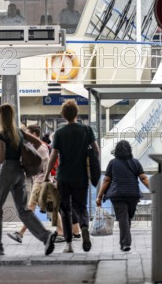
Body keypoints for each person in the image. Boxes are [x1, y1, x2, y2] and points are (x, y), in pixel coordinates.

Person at [0, 104, 57, 256]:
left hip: (7, 170)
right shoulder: (19, 132)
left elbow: (0, 159)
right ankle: (46, 236)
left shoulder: (3, 135)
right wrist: (24, 151)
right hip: (19, 171)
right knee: (23, 209)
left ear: (2, 116)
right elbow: (38, 143)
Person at [45, 99, 100, 253]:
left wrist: (47, 174)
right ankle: (84, 230)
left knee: (65, 210)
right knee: (81, 207)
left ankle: (69, 245)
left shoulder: (60, 133)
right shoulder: (87, 130)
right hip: (81, 176)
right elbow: (96, 150)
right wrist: (93, 166)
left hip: (64, 177)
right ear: (77, 113)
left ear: (63, 115)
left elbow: (53, 156)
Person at [6, 125, 64, 245]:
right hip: (41, 180)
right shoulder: (35, 147)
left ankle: (21, 233)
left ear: (35, 134)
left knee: (30, 207)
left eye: (28, 133)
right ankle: (60, 231)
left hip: (41, 181)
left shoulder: (41, 148)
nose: (26, 136)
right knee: (51, 207)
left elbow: (46, 164)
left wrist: (47, 179)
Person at [96, 140, 149, 252]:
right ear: (129, 150)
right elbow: (143, 178)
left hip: (118, 194)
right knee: (125, 218)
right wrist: (154, 189)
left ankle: (125, 242)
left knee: (124, 218)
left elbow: (106, 180)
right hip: (133, 195)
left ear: (117, 151)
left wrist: (99, 196)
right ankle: (125, 243)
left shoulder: (113, 163)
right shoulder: (135, 162)